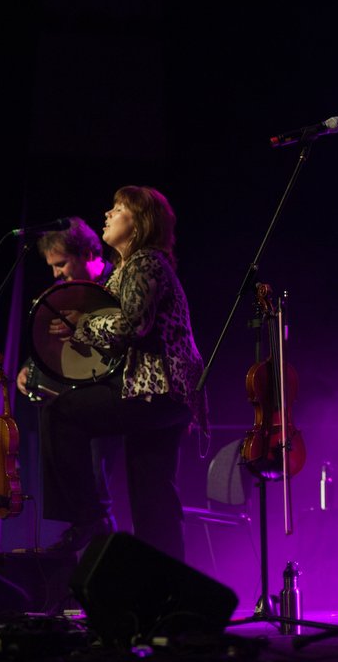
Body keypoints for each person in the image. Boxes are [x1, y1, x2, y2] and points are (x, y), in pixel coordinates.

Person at [39, 186, 205, 559]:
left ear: (139, 222)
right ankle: (168, 595)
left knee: (60, 414)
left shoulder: (146, 262)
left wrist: (82, 326)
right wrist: (78, 330)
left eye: (118, 209)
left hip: (157, 392)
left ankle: (87, 517)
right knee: (154, 496)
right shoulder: (131, 269)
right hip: (166, 394)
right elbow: (110, 329)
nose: (107, 215)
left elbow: (131, 326)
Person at [15, 218, 123, 535]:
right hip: (82, 390)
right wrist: (29, 366)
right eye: (51, 266)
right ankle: (88, 532)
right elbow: (52, 338)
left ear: (89, 253)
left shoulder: (116, 282)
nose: (56, 274)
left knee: (94, 475)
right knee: (82, 475)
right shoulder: (68, 290)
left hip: (116, 390)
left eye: (61, 264)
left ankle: (96, 536)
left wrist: (85, 323)